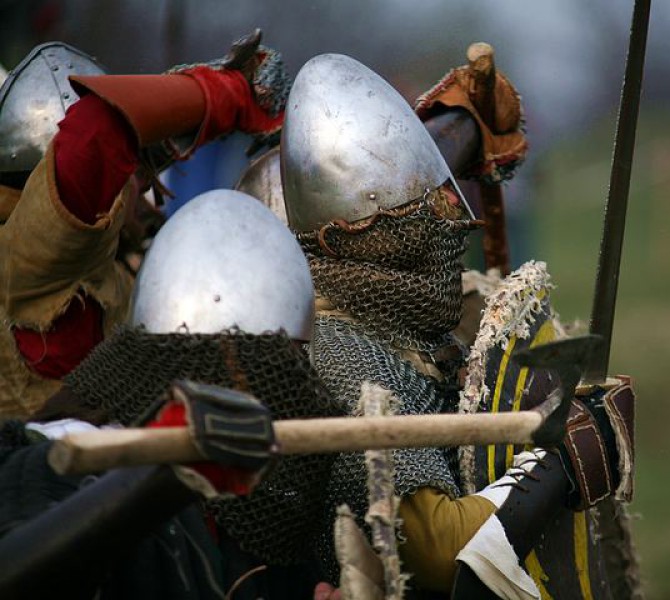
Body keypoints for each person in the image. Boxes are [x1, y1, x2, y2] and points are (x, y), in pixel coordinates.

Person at [281, 53, 632, 599]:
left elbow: (394, 184)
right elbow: (439, 552)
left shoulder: (398, 317)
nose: (452, 215)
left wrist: (464, 122)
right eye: (426, 211)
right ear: (361, 237)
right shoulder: (343, 358)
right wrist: (565, 456)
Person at [0, 189, 344, 599]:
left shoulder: (256, 509)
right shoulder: (62, 459)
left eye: (295, 361)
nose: (289, 384)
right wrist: (159, 477)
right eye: (274, 363)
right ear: (212, 359)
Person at [0, 31, 285, 418]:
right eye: (131, 170)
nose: (146, 185)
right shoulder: (34, 258)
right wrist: (230, 94)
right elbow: (96, 126)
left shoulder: (93, 265)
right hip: (65, 458)